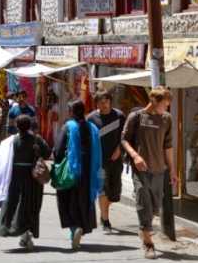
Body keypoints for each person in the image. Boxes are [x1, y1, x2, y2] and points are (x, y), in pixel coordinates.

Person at [121, 87, 177, 259]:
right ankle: (148, 243)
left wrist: (173, 170)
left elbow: (167, 146)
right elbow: (124, 139)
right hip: (141, 170)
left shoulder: (166, 119)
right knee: (143, 202)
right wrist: (135, 156)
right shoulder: (136, 117)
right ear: (154, 102)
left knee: (154, 207)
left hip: (159, 169)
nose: (166, 108)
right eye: (165, 104)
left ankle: (144, 228)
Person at [0, 114, 50, 251]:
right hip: (33, 178)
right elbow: (48, 153)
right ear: (30, 126)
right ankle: (27, 234)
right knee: (31, 206)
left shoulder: (11, 141)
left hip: (15, 177)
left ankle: (20, 233)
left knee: (15, 205)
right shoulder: (36, 140)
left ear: (17, 126)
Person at [54, 99, 102, 250]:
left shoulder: (68, 127)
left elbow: (58, 150)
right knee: (84, 201)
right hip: (89, 174)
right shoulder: (93, 127)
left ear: (71, 112)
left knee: (68, 201)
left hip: (71, 172)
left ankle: (74, 229)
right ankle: (81, 228)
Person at [87, 90, 126, 232]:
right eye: (100, 102)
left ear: (110, 102)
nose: (103, 105)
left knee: (114, 193)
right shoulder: (91, 119)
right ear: (96, 103)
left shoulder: (119, 116)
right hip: (99, 163)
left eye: (106, 102)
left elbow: (126, 136)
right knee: (102, 189)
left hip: (115, 161)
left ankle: (104, 214)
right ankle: (105, 220)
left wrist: (119, 149)